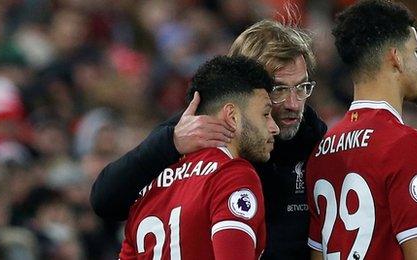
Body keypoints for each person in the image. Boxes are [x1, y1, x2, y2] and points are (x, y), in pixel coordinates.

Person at [91, 19, 326, 259]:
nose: (294, 104)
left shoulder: (313, 135)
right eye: (279, 90)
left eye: (301, 87)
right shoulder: (195, 132)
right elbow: (105, 200)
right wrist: (169, 142)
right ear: (246, 86)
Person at [306, 1, 417, 260]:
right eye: (415, 51)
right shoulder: (406, 144)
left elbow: (318, 255)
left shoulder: (321, 151)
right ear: (396, 57)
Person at [119, 55, 279, 259]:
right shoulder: (232, 175)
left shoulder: (149, 185)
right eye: (266, 114)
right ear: (232, 116)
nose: (274, 128)